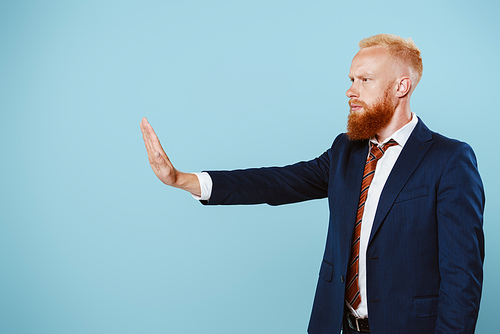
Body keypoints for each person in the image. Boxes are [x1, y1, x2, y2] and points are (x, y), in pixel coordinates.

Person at [140, 34, 485, 334]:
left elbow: (461, 278)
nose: (350, 91)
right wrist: (182, 179)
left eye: (364, 80)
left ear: (401, 86)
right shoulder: (345, 152)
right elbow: (276, 183)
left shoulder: (449, 160)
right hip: (336, 326)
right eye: (351, 79)